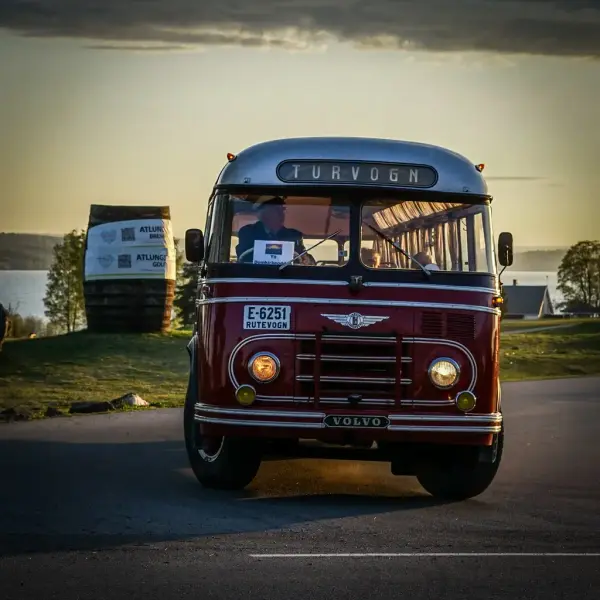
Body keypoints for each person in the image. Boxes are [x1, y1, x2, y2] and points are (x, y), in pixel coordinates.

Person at [235, 197, 305, 261]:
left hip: (286, 273)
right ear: (262, 213)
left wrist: (306, 259)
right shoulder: (248, 232)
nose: (281, 213)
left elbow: (302, 257)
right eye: (276, 209)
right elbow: (244, 258)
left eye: (282, 209)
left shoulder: (294, 235)